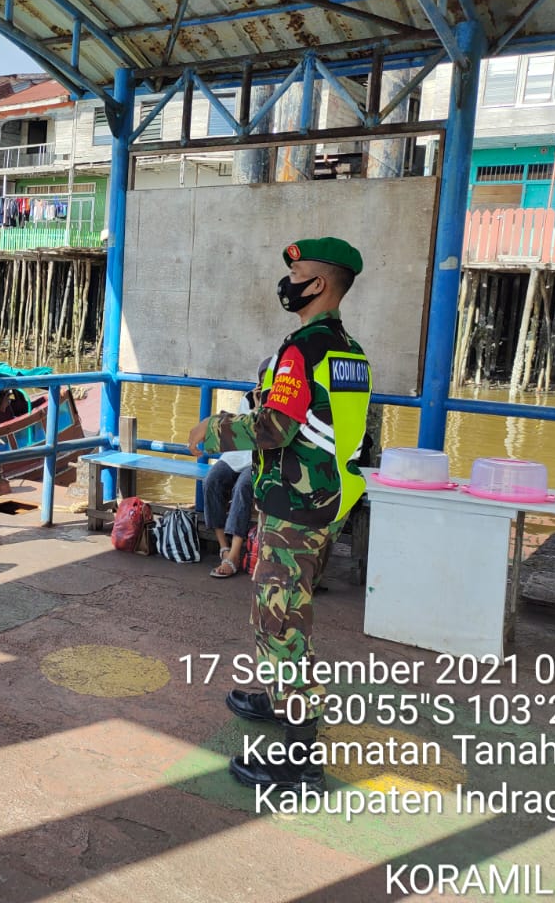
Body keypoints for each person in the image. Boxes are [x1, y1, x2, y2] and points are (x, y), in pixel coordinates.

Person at [188, 237, 371, 795]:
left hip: (295, 506)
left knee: (281, 623)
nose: (287, 284)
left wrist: (212, 430)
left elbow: (274, 428)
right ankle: (275, 699)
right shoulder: (349, 351)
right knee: (287, 608)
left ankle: (299, 761)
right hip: (322, 499)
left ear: (317, 284)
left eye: (297, 274)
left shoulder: (304, 350)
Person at [203, 361, 270, 579]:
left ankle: (235, 552)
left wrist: (262, 409)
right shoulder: (249, 397)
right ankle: (223, 545)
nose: (263, 383)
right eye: (262, 378)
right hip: (237, 454)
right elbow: (241, 431)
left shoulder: (280, 402)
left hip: (260, 458)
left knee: (243, 487)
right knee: (211, 480)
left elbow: (266, 435)